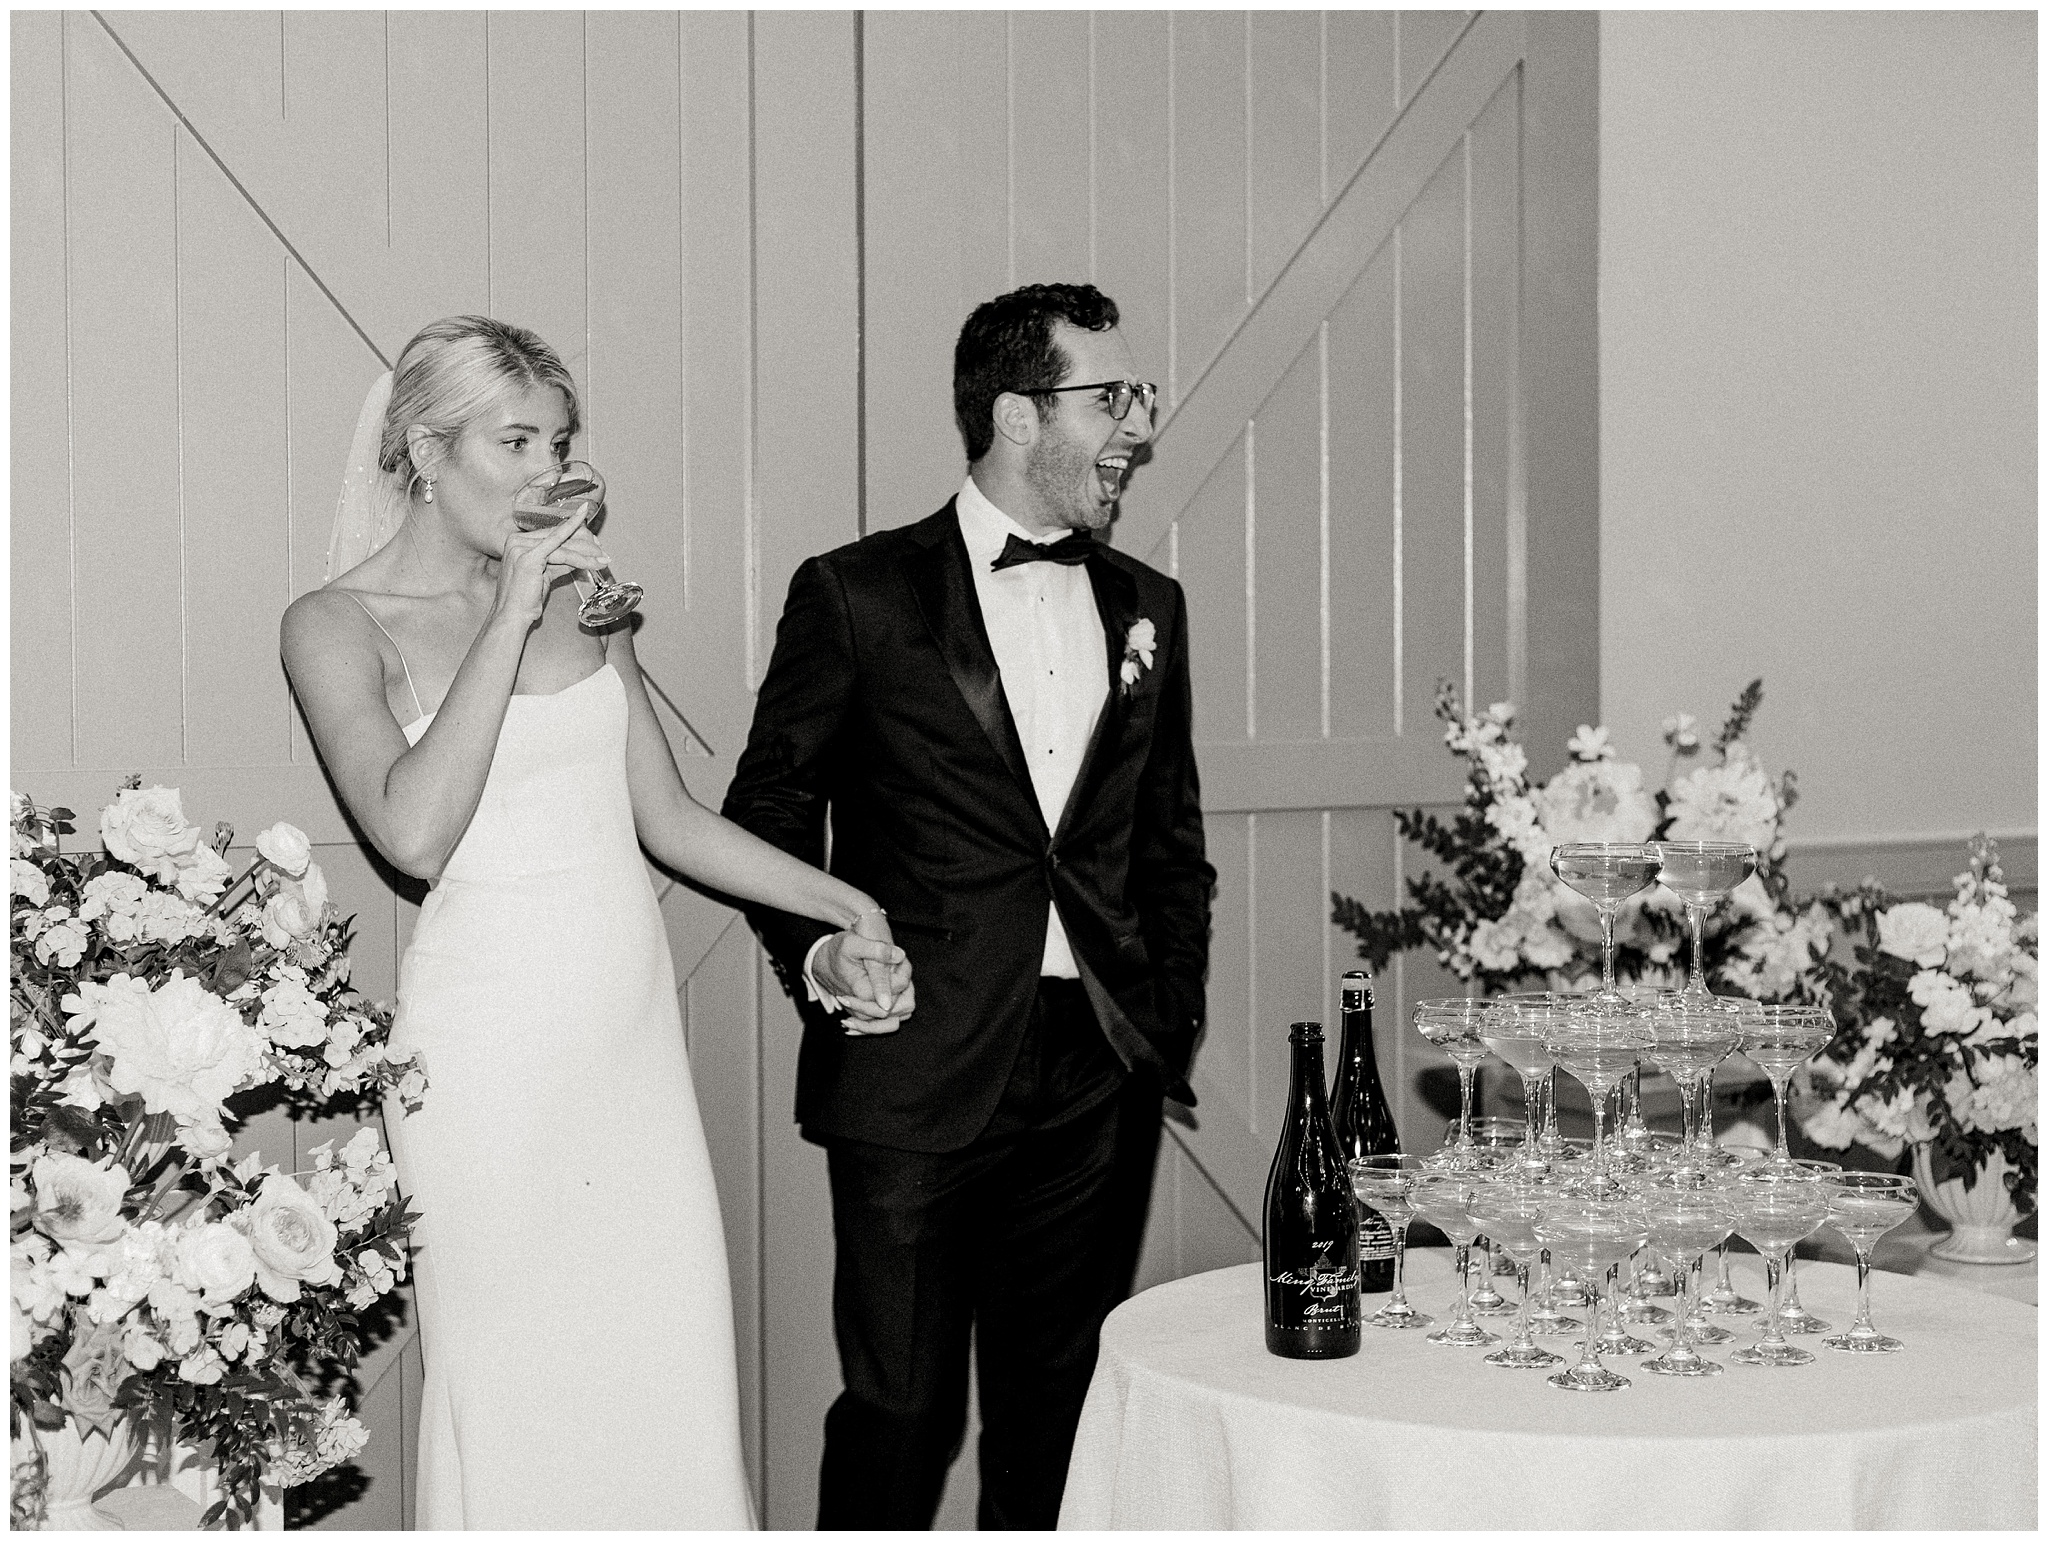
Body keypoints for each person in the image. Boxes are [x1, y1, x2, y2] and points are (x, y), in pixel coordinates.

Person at [281, 315, 912, 1530]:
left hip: (625, 1049)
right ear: (425, 447)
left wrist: (843, 898)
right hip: (488, 1064)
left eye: (557, 439)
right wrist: (513, 610)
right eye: (511, 440)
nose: (544, 470)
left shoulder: (589, 604)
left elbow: (668, 816)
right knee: (519, 1392)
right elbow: (412, 834)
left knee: (664, 1377)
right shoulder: (333, 624)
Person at [721, 283, 1214, 1529]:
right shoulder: (858, 594)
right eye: (1108, 399)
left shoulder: (1148, 605)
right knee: (899, 1408)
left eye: (1132, 399)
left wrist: (1162, 1020)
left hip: (1096, 1067)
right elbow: (768, 810)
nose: (1133, 429)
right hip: (914, 1060)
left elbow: (1168, 843)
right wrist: (822, 953)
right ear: (1013, 412)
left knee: (1057, 1409)